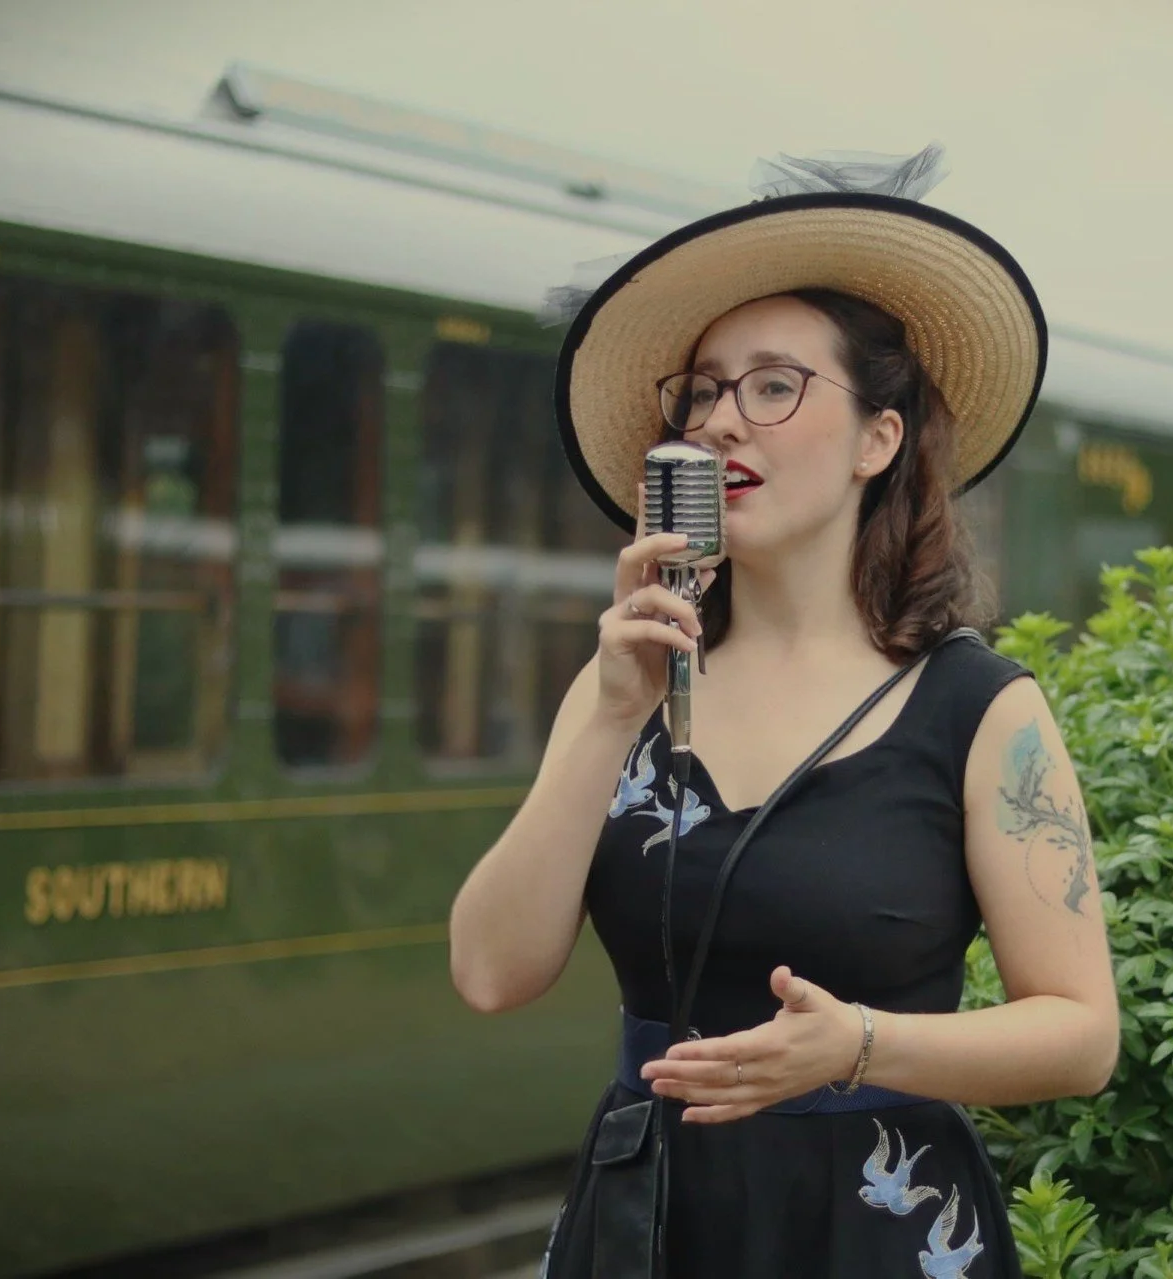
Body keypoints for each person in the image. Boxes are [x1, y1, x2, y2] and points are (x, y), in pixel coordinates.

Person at [448, 147, 1120, 1279]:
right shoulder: (631, 677)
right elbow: (489, 972)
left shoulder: (978, 709)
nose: (723, 420)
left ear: (879, 439)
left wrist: (856, 1045)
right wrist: (612, 711)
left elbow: (1081, 1033)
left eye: (774, 385)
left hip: (872, 1226)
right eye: (704, 390)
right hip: (649, 1222)